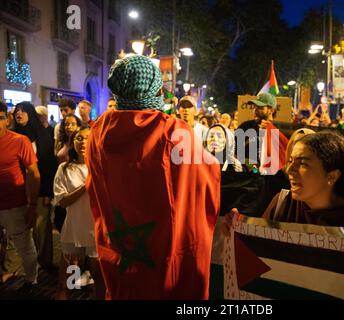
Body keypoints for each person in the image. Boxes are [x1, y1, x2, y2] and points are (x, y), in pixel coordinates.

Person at [86, 55, 220, 299]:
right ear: (154, 87)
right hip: (165, 250)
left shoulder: (98, 130)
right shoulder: (174, 129)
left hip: (120, 244)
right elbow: (205, 177)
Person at [222, 131, 344, 299]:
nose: (289, 170)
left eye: (303, 163)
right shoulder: (283, 203)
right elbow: (259, 262)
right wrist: (236, 235)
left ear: (332, 175)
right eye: (291, 160)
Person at [53, 125, 105, 300]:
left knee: (99, 282)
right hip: (74, 231)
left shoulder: (102, 167)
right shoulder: (65, 169)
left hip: (95, 232)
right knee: (68, 282)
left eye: (88, 137)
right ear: (72, 142)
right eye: (79, 138)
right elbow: (62, 200)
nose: (83, 142)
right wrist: (85, 186)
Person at [0, 101, 40, 295]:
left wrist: (33, 205)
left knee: (24, 245)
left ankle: (32, 280)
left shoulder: (19, 140)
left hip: (15, 205)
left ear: (6, 120)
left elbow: (34, 173)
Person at [13, 102, 58, 270]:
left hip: (39, 187)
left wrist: (47, 192)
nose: (19, 113)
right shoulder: (12, 134)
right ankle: (25, 263)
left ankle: (44, 261)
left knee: (41, 227)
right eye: (17, 111)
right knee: (19, 227)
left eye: (23, 111)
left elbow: (48, 165)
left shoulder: (42, 136)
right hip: (18, 188)